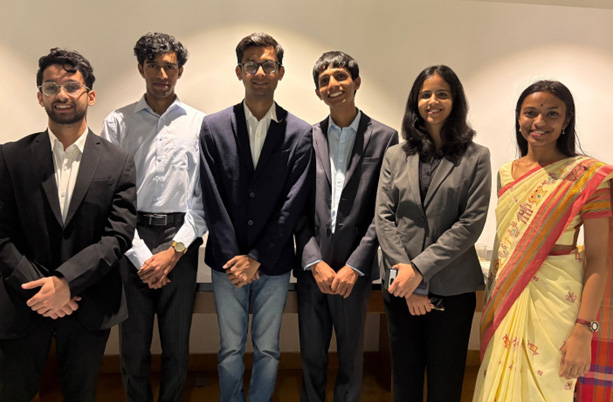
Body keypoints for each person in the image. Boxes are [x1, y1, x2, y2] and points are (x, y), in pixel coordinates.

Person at [0, 48, 137, 402]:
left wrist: (66, 282)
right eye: (51, 87)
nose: (61, 94)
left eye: (72, 86)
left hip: (89, 302)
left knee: (81, 394)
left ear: (90, 95)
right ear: (40, 97)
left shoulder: (119, 162)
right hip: (23, 301)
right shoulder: (9, 157)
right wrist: (42, 291)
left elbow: (118, 236)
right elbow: (1, 234)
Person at [473, 80, 613, 402]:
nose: (539, 122)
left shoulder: (589, 178)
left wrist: (583, 330)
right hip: (506, 297)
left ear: (566, 120)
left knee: (548, 388)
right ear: (518, 118)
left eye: (552, 113)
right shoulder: (506, 173)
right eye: (530, 113)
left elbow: (598, 259)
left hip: (557, 303)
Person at [199, 32, 313, 402]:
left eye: (268, 65)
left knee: (268, 347)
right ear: (239, 71)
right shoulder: (214, 126)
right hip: (226, 262)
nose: (259, 72)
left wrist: (257, 257)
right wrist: (237, 258)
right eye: (251, 65)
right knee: (230, 348)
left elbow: (292, 205)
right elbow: (212, 196)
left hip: (274, 262)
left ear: (280, 72)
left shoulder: (300, 133)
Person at [101, 32, 207, 402]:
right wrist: (142, 257)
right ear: (140, 68)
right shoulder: (118, 122)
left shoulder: (199, 123)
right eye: (153, 65)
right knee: (133, 348)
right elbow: (111, 197)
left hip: (181, 239)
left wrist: (174, 252)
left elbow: (202, 199)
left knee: (177, 346)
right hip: (131, 236)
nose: (161, 74)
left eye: (169, 67)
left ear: (180, 71)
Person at [375, 65, 491, 402]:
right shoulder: (395, 155)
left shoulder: (476, 157)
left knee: (446, 382)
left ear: (455, 101)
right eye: (425, 94)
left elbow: (470, 223)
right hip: (399, 286)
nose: (433, 101)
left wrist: (419, 270)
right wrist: (407, 276)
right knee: (405, 380)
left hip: (452, 288)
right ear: (416, 102)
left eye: (442, 94)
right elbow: (384, 217)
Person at [294, 51, 398, 402]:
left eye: (340, 76)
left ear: (356, 82)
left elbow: (384, 210)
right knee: (311, 354)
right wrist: (313, 261)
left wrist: (355, 266)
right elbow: (297, 208)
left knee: (352, 356)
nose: (333, 84)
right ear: (318, 92)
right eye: (324, 80)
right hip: (314, 267)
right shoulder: (307, 137)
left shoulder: (385, 137)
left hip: (356, 267)